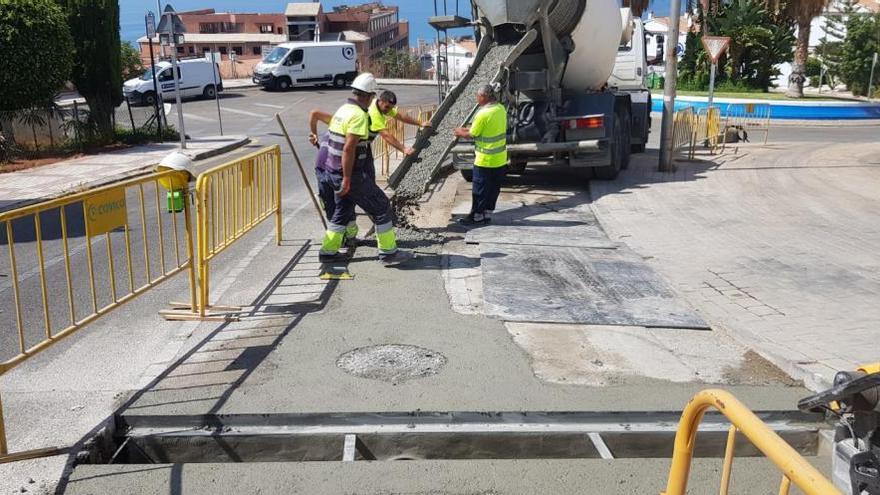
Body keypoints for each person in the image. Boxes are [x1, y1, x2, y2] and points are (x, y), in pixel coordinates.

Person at [309, 73, 413, 265]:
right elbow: (349, 148)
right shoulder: (358, 115)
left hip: (331, 170)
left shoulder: (344, 109)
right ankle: (389, 253)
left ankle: (328, 252)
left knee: (343, 208)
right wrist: (348, 178)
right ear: (369, 96)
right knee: (381, 206)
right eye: (373, 96)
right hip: (346, 173)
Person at [453, 84, 508, 225]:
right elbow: (484, 129)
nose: (476, 99)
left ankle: (476, 216)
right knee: (493, 189)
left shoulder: (483, 113)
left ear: (484, 97)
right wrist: (467, 129)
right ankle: (487, 214)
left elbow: (473, 134)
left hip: (485, 160)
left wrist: (459, 132)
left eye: (478, 96)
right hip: (500, 159)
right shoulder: (500, 109)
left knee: (480, 189)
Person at [367, 90, 431, 163]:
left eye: (391, 108)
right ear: (381, 101)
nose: (389, 110)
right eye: (387, 107)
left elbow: (401, 116)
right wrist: (403, 149)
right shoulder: (374, 113)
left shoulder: (381, 106)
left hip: (364, 144)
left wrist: (420, 123)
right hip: (357, 145)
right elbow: (386, 135)